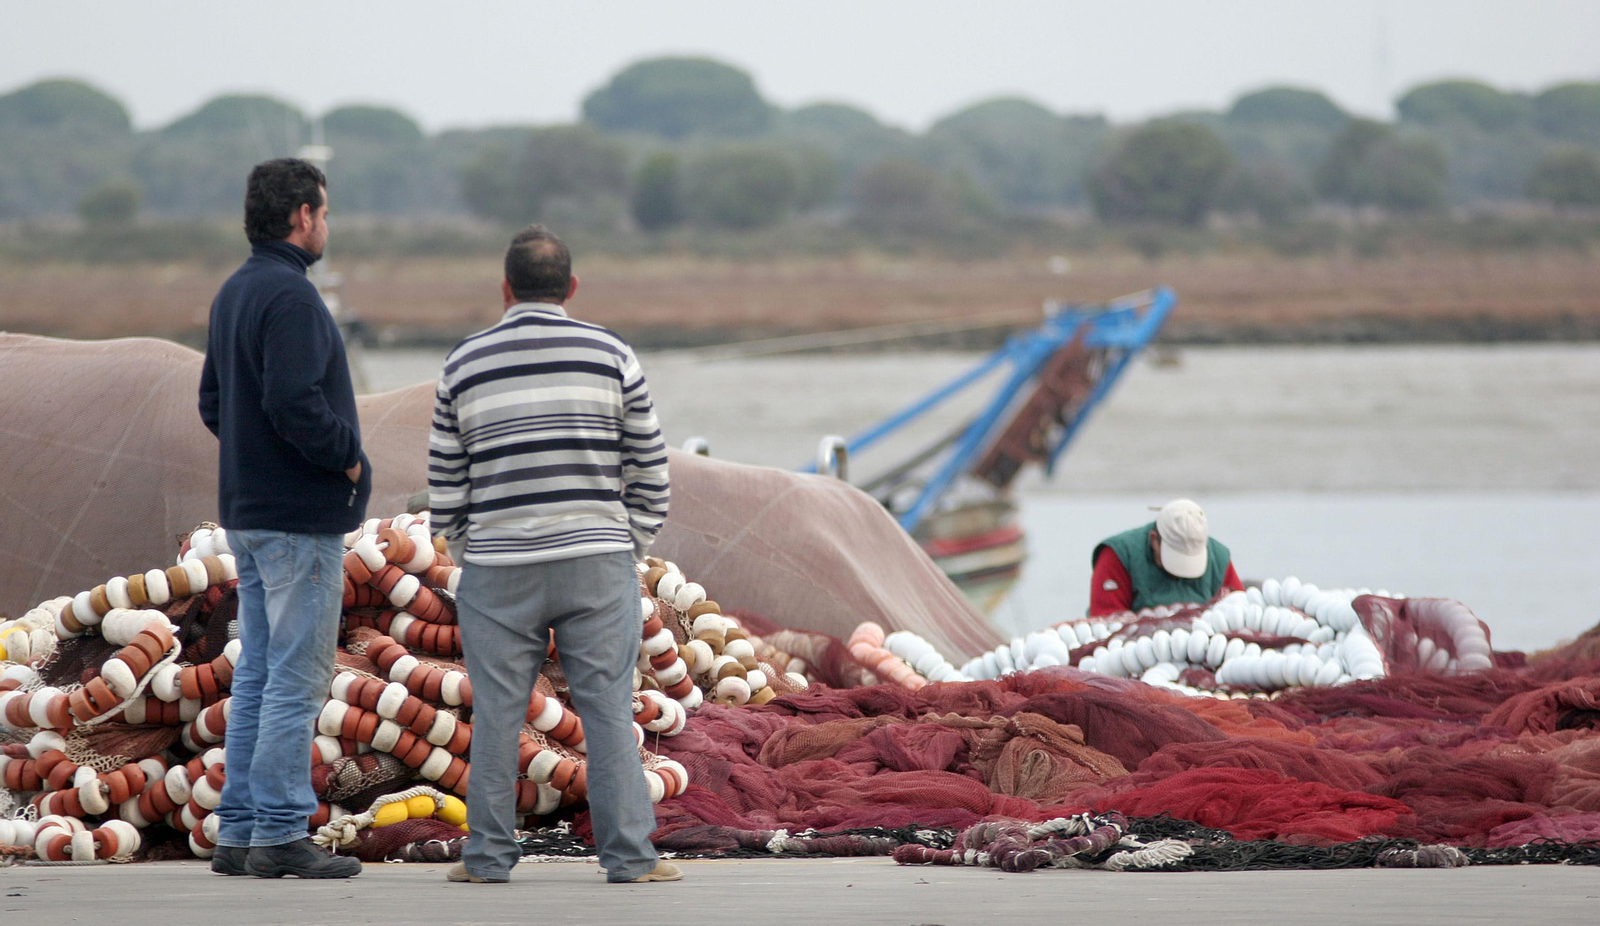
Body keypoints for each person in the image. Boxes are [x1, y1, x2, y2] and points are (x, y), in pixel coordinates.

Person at [429, 225, 678, 885]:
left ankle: (485, 859)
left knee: (498, 712)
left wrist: (467, 546)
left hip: (497, 567)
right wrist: (632, 542)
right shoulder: (611, 353)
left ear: (506, 289)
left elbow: (446, 482)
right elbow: (651, 466)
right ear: (570, 288)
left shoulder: (464, 363)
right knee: (605, 707)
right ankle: (631, 859)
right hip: (597, 561)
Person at [199, 158, 369, 879]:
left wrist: (253, 456)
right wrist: (347, 460)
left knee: (261, 674)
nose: (327, 225)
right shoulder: (293, 300)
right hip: (299, 521)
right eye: (324, 212)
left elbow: (214, 402)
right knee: (296, 678)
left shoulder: (236, 292)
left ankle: (237, 833)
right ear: (302, 216)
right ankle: (279, 832)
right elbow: (295, 403)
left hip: (249, 513)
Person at [1087, 499, 1242, 617]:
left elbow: (1240, 611)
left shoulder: (1219, 559)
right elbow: (1104, 622)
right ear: (1154, 540)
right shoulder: (1119, 556)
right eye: (1177, 556)